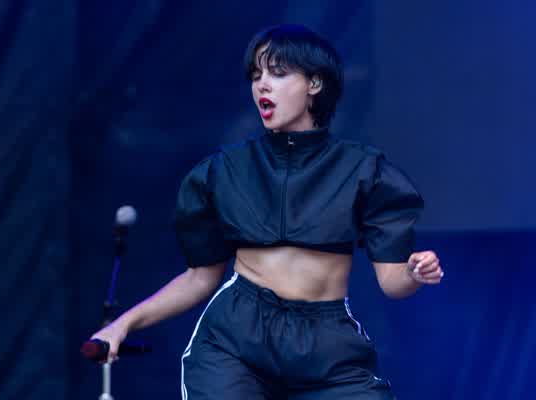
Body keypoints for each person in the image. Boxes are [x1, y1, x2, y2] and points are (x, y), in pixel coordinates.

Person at [90, 24, 444, 399]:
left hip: (326, 345)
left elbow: (392, 283)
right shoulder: (225, 171)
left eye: (277, 73)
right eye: (256, 75)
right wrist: (123, 325)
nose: (262, 85)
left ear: (314, 83)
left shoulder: (362, 170)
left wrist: (412, 272)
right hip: (236, 340)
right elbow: (199, 279)